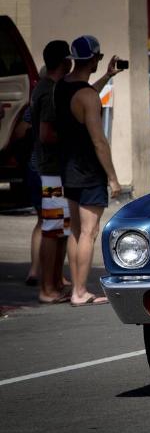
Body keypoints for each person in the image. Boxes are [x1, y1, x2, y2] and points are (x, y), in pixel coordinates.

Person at [55, 35, 122, 306]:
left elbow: (84, 95)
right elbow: (99, 140)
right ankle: (80, 292)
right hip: (88, 171)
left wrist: (106, 77)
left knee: (75, 230)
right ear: (93, 58)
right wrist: (113, 179)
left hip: (68, 169)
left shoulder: (63, 87)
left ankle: (77, 289)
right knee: (89, 232)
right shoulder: (88, 97)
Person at [31, 41, 73, 303]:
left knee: (60, 229)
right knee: (53, 228)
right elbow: (47, 134)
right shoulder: (49, 91)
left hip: (55, 169)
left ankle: (55, 284)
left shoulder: (49, 87)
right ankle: (48, 288)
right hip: (51, 169)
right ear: (65, 61)